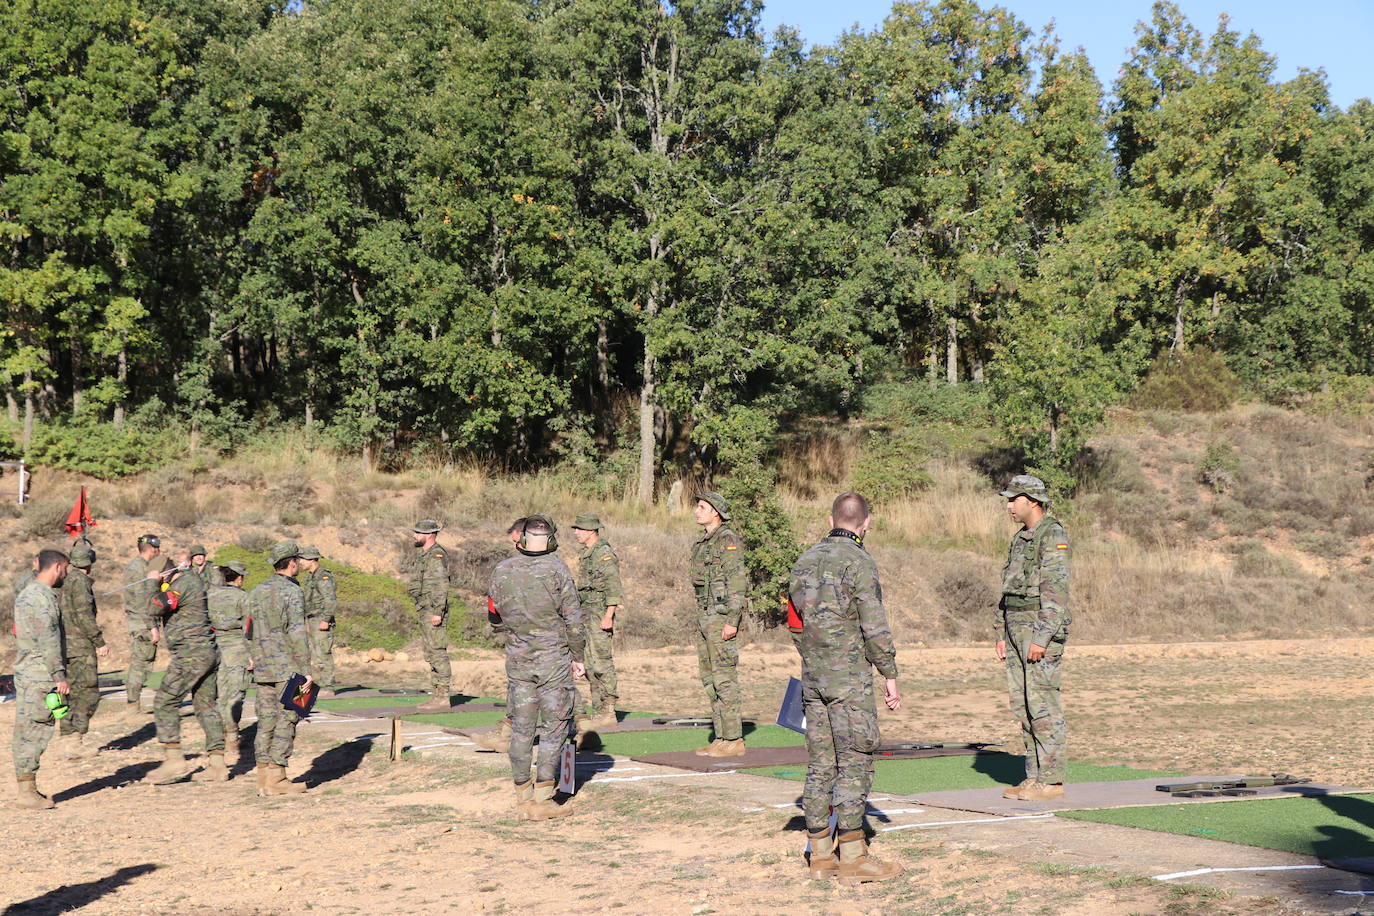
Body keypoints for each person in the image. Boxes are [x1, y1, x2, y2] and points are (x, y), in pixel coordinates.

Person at [788, 492, 902, 883]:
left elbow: (794, 622)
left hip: (813, 678)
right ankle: (853, 856)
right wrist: (889, 672)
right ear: (865, 522)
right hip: (848, 681)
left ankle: (820, 854)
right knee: (855, 758)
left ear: (831, 518)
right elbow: (874, 625)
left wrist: (813, 659)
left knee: (821, 763)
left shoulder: (804, 560)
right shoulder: (859, 562)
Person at [488, 514, 584, 820]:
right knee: (555, 728)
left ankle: (522, 795)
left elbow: (494, 617)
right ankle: (543, 798)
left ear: (523, 539)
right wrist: (578, 657)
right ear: (551, 540)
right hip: (553, 661)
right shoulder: (558, 570)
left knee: (521, 729)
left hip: (518, 660)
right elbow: (574, 621)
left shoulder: (502, 570)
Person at [995, 474, 1072, 802]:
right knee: (1023, 704)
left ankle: (1052, 780)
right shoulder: (1020, 538)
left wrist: (1041, 637)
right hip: (1016, 627)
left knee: (1042, 704)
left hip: (1037, 629)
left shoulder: (1052, 535)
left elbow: (1055, 592)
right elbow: (1007, 588)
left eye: (1015, 499)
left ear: (1034, 501)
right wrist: (1001, 632)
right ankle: (1034, 775)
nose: (1010, 505)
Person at [148, 549, 225, 784]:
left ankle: (174, 760)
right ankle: (217, 764)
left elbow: (155, 606)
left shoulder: (184, 583)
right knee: (206, 706)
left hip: (191, 653)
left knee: (164, 702)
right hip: (204, 652)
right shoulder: (189, 581)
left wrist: (152, 584)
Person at [247, 542, 311, 796]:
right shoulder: (293, 592)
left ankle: (263, 777)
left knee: (266, 721)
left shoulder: (257, 591)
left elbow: (248, 629)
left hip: (262, 665)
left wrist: (251, 656)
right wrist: (307, 669)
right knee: (289, 717)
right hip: (288, 667)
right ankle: (277, 777)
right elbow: (297, 632)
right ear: (292, 562)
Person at [689, 492, 748, 757]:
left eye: (702, 507)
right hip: (705, 615)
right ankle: (721, 736)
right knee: (709, 678)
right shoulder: (703, 542)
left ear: (716, 512)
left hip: (720, 616)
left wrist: (731, 621)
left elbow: (736, 582)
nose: (696, 511)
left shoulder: (727, 539)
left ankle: (734, 739)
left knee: (724, 678)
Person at [12, 549, 70, 810]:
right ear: (57, 567)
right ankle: (27, 793)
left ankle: (27, 788)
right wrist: (59, 675)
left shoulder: (27, 592)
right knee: (35, 731)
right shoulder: (43, 598)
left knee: (26, 730)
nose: (65, 575)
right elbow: (48, 638)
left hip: (28, 672)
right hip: (40, 674)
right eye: (65, 569)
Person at [471, 519, 526, 753]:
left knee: (521, 685)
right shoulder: (555, 566)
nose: (514, 546)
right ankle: (582, 727)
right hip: (549, 640)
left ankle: (506, 734)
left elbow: (493, 606)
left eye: (516, 541)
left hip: (524, 639)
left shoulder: (508, 567)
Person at [54, 542, 107, 759]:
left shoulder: (64, 580)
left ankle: (67, 737)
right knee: (87, 693)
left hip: (65, 645)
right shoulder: (81, 582)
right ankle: (76, 741)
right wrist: (99, 641)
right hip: (81, 646)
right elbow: (84, 616)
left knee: (69, 692)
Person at [570, 515, 622, 729]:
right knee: (590, 663)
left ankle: (608, 710)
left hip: (600, 612)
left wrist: (608, 615)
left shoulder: (603, 553)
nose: (576, 533)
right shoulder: (587, 554)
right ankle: (598, 710)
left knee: (602, 662)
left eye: (579, 529)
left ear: (591, 531)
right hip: (587, 613)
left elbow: (614, 587)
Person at [407, 519, 453, 711]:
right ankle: (437, 696)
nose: (414, 536)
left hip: (432, 611)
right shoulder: (425, 555)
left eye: (418, 533)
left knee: (437, 653)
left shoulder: (436, 556)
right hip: (425, 609)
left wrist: (437, 612)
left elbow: (441, 586)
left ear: (429, 535)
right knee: (431, 653)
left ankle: (443, 697)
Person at [209, 561, 252, 759]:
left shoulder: (211, 594)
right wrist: (252, 654)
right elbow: (249, 628)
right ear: (239, 577)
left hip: (216, 646)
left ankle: (220, 735)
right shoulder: (243, 597)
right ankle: (233, 737)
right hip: (237, 647)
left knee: (220, 692)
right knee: (236, 692)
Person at [122, 534, 163, 715]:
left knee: (142, 662)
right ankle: (133, 705)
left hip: (140, 620)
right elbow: (143, 601)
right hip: (142, 622)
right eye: (157, 549)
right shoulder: (139, 569)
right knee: (141, 664)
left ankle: (133, 703)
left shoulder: (139, 567)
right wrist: (152, 627)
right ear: (152, 549)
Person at [299, 546, 337, 698]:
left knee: (323, 654)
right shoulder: (310, 576)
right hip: (312, 618)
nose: (300, 562)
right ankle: (321, 685)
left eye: (303, 559)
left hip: (321, 619)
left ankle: (328, 687)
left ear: (312, 559)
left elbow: (330, 600)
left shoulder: (323, 577)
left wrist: (325, 619)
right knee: (316, 654)